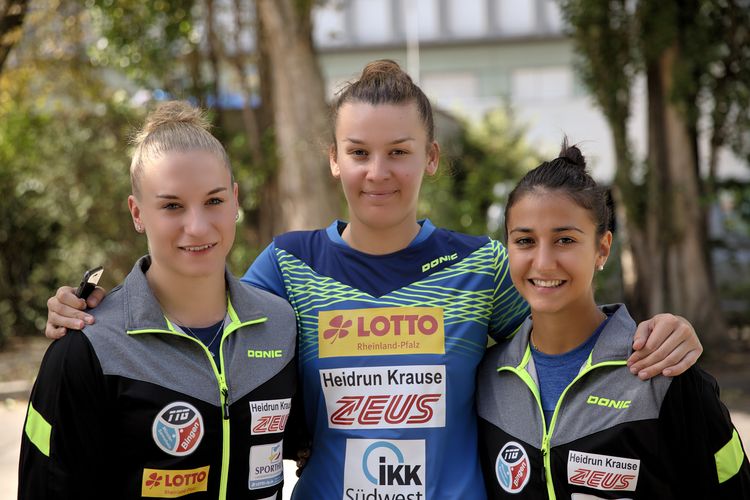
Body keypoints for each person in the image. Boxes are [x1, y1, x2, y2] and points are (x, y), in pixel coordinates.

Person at [44, 61, 702, 499]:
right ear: (334, 159)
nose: (377, 171)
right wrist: (90, 316)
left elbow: (566, 327)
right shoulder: (286, 265)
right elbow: (200, 325)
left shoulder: (484, 267)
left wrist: (657, 333)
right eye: (358, 152)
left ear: (431, 158)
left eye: (399, 152)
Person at [19, 101, 299, 499]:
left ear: (235, 201)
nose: (198, 226)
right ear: (137, 213)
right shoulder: (87, 348)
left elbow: (319, 441)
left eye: (214, 201)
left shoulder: (281, 327)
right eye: (171, 206)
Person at [476, 142, 750, 498]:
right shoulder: (486, 381)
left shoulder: (663, 372)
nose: (543, 262)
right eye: (525, 240)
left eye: (564, 240)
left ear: (602, 248)